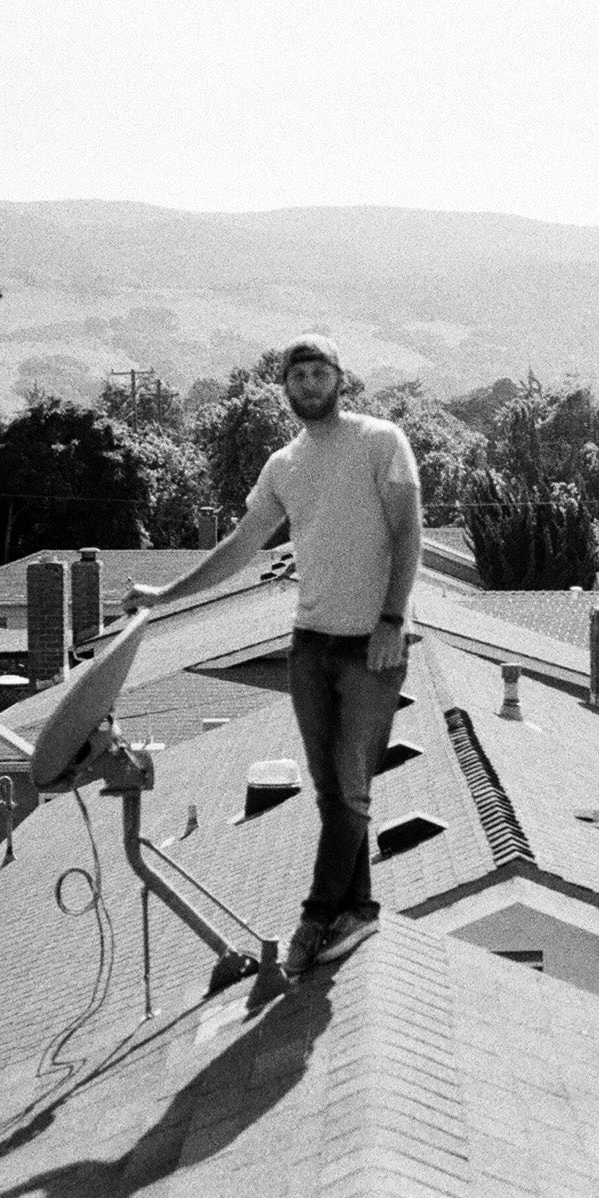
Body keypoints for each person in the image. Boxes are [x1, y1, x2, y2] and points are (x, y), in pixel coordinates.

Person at [124, 335, 421, 978]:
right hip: (309, 647)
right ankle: (359, 909)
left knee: (349, 791)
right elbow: (240, 546)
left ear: (342, 379)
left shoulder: (380, 441)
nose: (310, 384)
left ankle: (316, 917)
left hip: (374, 643)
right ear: (284, 387)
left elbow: (408, 531)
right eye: (299, 375)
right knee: (333, 794)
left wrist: (393, 621)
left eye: (321, 372)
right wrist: (166, 593)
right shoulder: (282, 466)